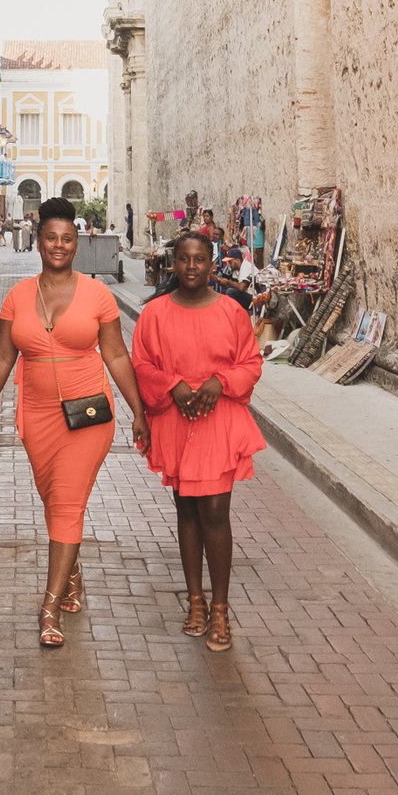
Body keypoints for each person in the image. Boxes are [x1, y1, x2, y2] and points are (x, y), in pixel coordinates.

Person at [0, 196, 149, 648]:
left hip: (88, 415)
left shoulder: (97, 295)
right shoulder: (17, 296)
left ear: (77, 243)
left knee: (67, 501)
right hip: (37, 415)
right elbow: (2, 357)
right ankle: (71, 572)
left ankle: (48, 606)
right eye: (51, 237)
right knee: (54, 499)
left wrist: (138, 410)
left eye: (67, 238)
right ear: (38, 241)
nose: (58, 245)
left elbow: (116, 355)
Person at [131, 228, 266, 652]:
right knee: (187, 510)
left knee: (216, 512)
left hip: (218, 418)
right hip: (177, 419)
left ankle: (220, 608)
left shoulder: (231, 312)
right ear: (174, 263)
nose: (191, 267)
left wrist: (219, 381)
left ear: (212, 264)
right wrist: (172, 385)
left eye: (199, 259)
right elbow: (142, 364)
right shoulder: (154, 314)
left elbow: (250, 362)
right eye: (184, 259)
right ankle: (195, 601)